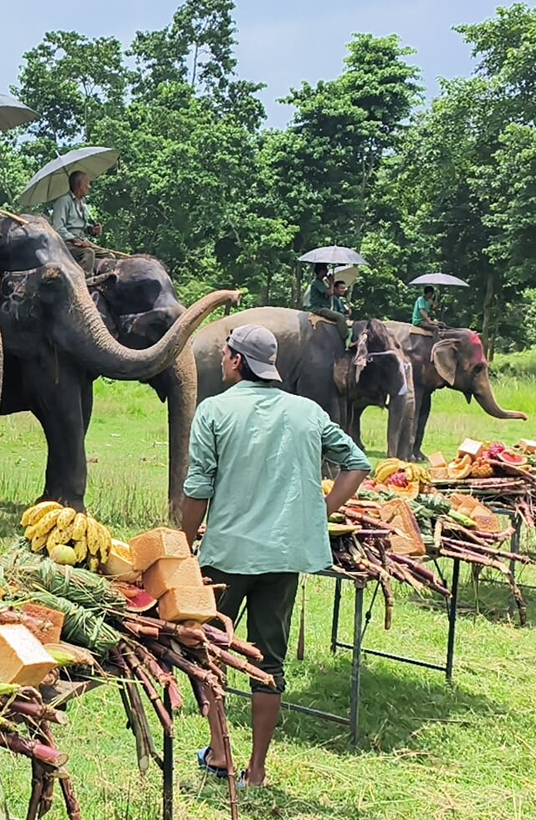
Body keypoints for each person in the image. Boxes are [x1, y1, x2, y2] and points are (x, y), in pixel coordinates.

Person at [182, 324, 370, 789]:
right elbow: (357, 465)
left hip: (225, 556)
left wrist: (182, 548)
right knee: (269, 660)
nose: (223, 359)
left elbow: (198, 489)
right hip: (284, 556)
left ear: (238, 361)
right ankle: (258, 771)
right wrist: (317, 514)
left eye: (226, 353)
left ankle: (221, 750)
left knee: (208, 650)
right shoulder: (306, 412)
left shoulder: (215, 411)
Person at [50, 170, 101, 272]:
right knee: (88, 253)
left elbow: (82, 226)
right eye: (87, 183)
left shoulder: (82, 203)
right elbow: (58, 227)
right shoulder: (64, 201)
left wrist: (92, 230)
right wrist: (74, 239)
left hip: (82, 240)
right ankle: (84, 282)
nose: (89, 187)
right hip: (67, 243)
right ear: (80, 185)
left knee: (109, 255)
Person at [305, 262, 348, 346]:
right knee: (340, 317)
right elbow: (329, 293)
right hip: (318, 308)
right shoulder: (316, 282)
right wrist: (332, 282)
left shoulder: (322, 283)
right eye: (325, 270)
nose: (327, 272)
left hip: (325, 307)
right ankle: (345, 339)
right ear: (321, 271)